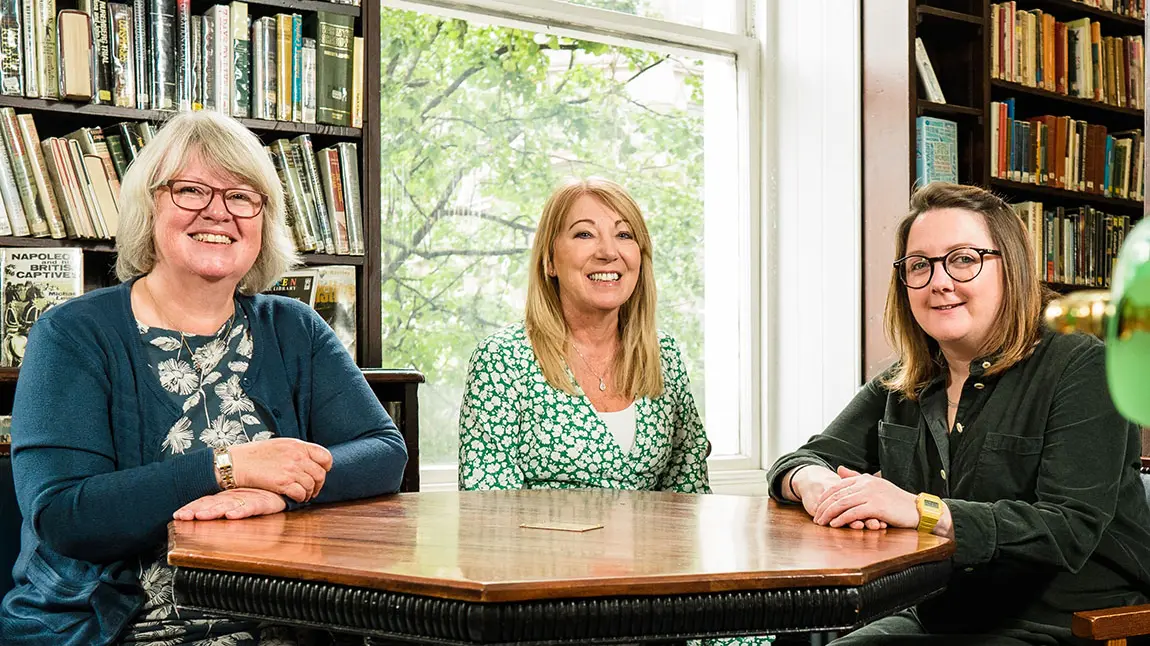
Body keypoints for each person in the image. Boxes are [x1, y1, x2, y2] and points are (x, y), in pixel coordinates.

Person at [0, 111, 408, 646]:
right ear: (150, 206)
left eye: (242, 197)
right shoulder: (73, 333)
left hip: (291, 618)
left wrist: (278, 493)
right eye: (191, 190)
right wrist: (228, 467)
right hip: (125, 628)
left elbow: (383, 452)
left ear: (265, 220)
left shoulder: (294, 328)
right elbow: (65, 515)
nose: (219, 212)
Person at [767, 182, 1150, 645]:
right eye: (920, 265)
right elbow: (802, 461)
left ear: (1011, 267)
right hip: (941, 613)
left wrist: (918, 510)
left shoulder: (1083, 366)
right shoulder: (905, 379)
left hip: (1065, 623)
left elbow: (1066, 529)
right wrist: (820, 486)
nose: (940, 282)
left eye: (964, 259)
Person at [458, 177, 770, 645]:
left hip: (660, 597)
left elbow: (689, 505)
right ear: (549, 259)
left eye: (625, 235)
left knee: (752, 632)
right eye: (584, 234)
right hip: (548, 606)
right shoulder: (503, 358)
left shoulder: (665, 356)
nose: (608, 252)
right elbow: (489, 519)